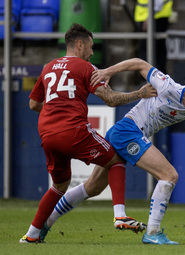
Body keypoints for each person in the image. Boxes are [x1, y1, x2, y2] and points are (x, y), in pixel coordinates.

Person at [40, 57, 185, 245]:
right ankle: (153, 232)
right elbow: (139, 63)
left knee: (92, 187)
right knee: (169, 175)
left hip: (122, 132)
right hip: (128, 131)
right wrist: (108, 71)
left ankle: (44, 224)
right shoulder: (169, 87)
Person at [19, 24, 157, 244]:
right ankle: (120, 215)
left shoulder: (48, 67)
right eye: (91, 47)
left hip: (47, 134)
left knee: (59, 186)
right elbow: (111, 100)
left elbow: (34, 103)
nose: (92, 52)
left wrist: (56, 109)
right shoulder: (86, 67)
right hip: (73, 130)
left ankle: (32, 235)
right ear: (80, 44)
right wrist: (139, 93)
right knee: (116, 159)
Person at [135, 0, 173, 74]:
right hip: (153, 16)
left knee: (150, 49)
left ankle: (153, 79)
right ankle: (155, 78)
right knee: (154, 48)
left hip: (155, 17)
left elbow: (158, 2)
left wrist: (150, 16)